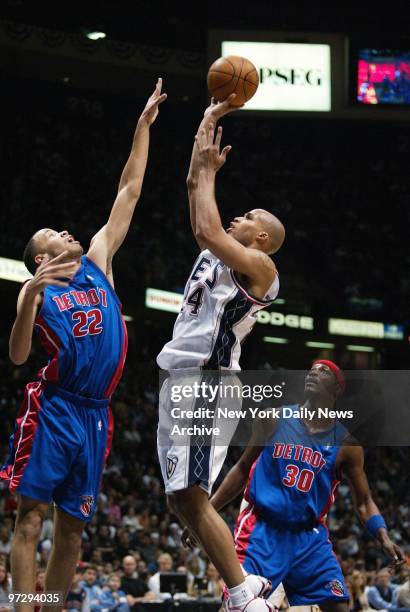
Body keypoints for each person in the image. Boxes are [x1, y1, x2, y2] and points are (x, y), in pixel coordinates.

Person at [0, 79, 167, 612]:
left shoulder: (98, 262)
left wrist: (141, 129)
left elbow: (129, 192)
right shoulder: (38, 293)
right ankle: (24, 606)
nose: (68, 232)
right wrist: (27, 299)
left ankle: (50, 609)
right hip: (54, 408)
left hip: (97, 414)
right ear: (38, 256)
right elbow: (19, 357)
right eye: (55, 232)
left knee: (72, 530)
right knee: (29, 518)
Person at [157, 94, 285, 612]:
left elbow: (205, 225)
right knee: (178, 497)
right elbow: (194, 188)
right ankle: (248, 586)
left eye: (250, 214)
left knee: (188, 493)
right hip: (181, 377)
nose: (239, 213)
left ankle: (241, 595)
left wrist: (209, 170)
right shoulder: (219, 252)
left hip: (209, 382)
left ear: (259, 237)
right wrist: (205, 130)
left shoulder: (261, 269)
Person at [183, 360, 406, 611]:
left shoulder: (347, 444)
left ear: (336, 389)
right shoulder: (274, 419)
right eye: (312, 369)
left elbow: (364, 502)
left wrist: (383, 536)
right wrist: (204, 514)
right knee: (238, 605)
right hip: (262, 531)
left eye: (324, 371)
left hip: (308, 537)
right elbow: (242, 469)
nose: (313, 372)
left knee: (339, 606)